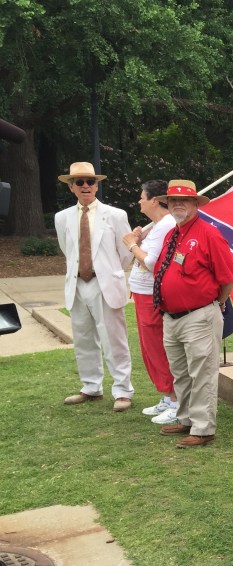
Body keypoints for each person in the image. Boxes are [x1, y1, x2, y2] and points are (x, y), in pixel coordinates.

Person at [153, 179, 233, 448]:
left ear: (195, 204)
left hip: (198, 315)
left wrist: (216, 303)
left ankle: (203, 429)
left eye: (184, 200)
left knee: (202, 373)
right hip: (171, 317)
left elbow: (227, 279)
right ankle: (187, 419)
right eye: (173, 200)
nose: (177, 204)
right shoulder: (172, 234)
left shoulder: (208, 234)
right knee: (181, 372)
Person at [55, 162, 134, 412]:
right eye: (80, 182)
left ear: (97, 185)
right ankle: (91, 386)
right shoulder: (62, 217)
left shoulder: (116, 215)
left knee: (114, 340)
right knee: (83, 338)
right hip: (77, 284)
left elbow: (125, 254)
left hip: (104, 284)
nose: (86, 186)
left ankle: (122, 390)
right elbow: (67, 250)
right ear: (71, 188)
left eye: (90, 181)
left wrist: (108, 273)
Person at [121, 180, 178, 424]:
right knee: (150, 348)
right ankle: (167, 395)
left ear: (154, 200)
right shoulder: (157, 225)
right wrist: (140, 239)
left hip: (152, 295)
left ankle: (176, 401)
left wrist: (132, 245)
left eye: (142, 197)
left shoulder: (166, 225)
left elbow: (152, 262)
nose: (139, 201)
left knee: (159, 347)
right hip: (142, 294)